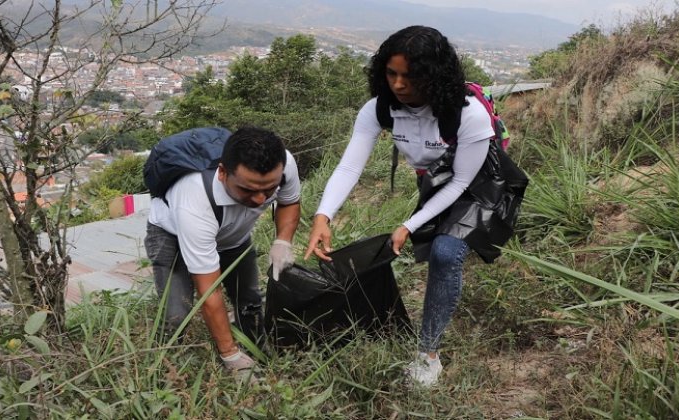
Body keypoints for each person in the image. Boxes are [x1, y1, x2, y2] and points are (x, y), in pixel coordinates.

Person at [304, 26, 494, 387]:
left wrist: (409, 223)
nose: (399, 84)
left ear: (434, 74)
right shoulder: (379, 109)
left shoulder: (468, 115)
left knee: (445, 252)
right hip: (434, 180)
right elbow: (349, 166)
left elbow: (461, 182)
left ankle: (428, 355)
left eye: (411, 75)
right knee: (435, 242)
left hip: (476, 183)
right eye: (391, 73)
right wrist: (323, 215)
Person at [145, 126, 301, 380]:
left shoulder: (284, 164)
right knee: (175, 315)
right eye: (248, 190)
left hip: (232, 235)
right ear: (222, 173)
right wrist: (230, 355)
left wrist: (283, 240)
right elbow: (209, 291)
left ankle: (256, 348)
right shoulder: (194, 202)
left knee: (249, 301)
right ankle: (164, 369)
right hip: (171, 236)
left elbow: (289, 202)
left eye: (268, 189)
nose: (261, 199)